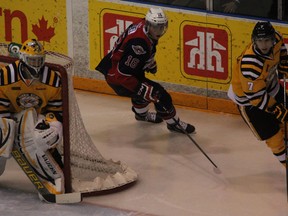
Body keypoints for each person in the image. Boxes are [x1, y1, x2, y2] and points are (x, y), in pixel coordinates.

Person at [96, 8, 195, 134]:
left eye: (161, 27)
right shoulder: (138, 44)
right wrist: (140, 88)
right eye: (156, 27)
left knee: (142, 90)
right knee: (158, 94)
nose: (159, 31)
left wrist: (147, 62)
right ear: (148, 25)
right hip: (117, 77)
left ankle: (141, 116)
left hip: (115, 68)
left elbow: (130, 55)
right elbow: (122, 75)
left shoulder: (142, 25)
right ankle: (173, 124)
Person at [0, 39, 65, 195]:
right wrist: (11, 130)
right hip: (8, 117)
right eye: (32, 60)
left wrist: (54, 125)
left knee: (41, 137)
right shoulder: (5, 75)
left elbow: (55, 110)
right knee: (2, 133)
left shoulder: (53, 79)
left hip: (35, 117)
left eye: (39, 60)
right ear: (22, 58)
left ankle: (52, 175)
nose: (36, 64)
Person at [228, 21, 288, 166]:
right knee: (274, 136)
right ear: (254, 40)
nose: (264, 45)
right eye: (260, 41)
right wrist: (275, 108)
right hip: (249, 102)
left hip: (270, 86)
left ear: (273, 38)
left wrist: (284, 63)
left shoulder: (277, 38)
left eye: (267, 40)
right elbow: (256, 98)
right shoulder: (251, 64)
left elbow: (281, 50)